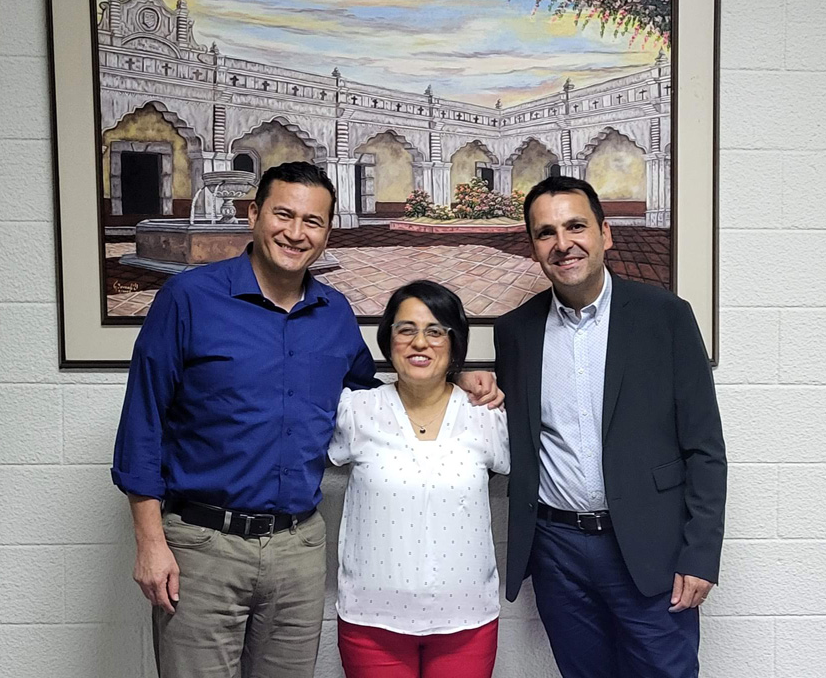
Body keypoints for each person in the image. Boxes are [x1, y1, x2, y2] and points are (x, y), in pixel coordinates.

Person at [111, 161, 502, 678]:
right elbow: (143, 423)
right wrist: (150, 543)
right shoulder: (189, 298)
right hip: (202, 547)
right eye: (283, 215)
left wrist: (460, 375)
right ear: (253, 214)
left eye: (312, 222)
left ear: (327, 232)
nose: (296, 233)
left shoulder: (334, 312)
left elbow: (378, 397)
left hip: (297, 551)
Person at [494, 175, 726, 678]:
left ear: (606, 233)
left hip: (648, 550)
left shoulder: (665, 316)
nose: (563, 244)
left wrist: (701, 554)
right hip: (557, 554)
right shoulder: (516, 331)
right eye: (546, 233)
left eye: (576, 226)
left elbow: (705, 447)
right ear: (534, 246)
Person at [328, 280, 509, 678]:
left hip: (467, 622)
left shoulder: (487, 416)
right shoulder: (355, 410)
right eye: (405, 329)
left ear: (454, 341)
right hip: (371, 622)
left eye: (435, 331)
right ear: (388, 339)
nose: (419, 343)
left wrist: (469, 380)